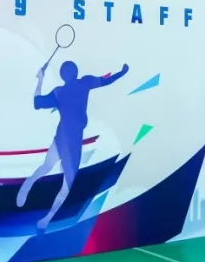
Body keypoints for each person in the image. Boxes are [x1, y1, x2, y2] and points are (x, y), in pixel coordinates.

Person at [17, 59, 129, 231]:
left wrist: (40, 79)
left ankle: (29, 185)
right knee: (66, 185)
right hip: (73, 142)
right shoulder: (84, 83)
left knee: (46, 167)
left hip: (61, 138)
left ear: (62, 75)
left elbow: (37, 103)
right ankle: (46, 218)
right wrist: (122, 72)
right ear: (75, 72)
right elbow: (107, 80)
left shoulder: (59, 92)